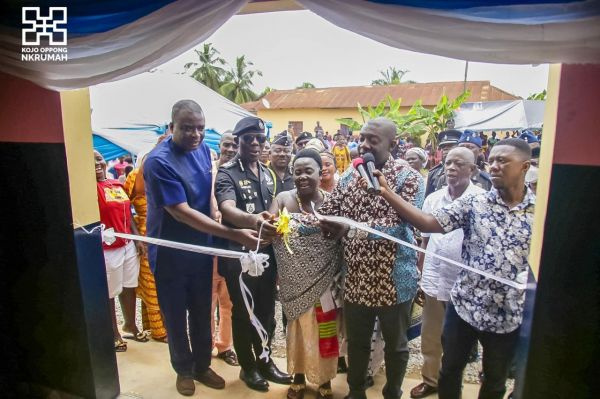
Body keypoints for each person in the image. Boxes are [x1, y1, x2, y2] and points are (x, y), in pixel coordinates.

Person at [364, 138, 534, 399]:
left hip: (507, 313)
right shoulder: (475, 204)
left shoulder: (540, 211)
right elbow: (429, 222)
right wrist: (387, 192)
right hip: (464, 305)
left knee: (495, 379)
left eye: (504, 161)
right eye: (493, 160)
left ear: (525, 167)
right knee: (450, 370)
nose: (496, 166)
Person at [144, 100, 261, 396]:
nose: (195, 134)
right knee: (174, 313)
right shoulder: (158, 161)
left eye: (200, 128)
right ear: (172, 127)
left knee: (201, 309)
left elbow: (207, 185)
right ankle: (182, 369)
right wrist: (233, 234)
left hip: (200, 249)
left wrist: (213, 208)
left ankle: (201, 365)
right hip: (170, 252)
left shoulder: (203, 151)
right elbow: (180, 211)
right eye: (187, 128)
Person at [319, 117, 425, 399]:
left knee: (396, 345)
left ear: (393, 144)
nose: (363, 145)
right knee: (356, 342)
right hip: (356, 278)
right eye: (361, 138)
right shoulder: (349, 177)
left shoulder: (409, 178)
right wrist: (299, 221)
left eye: (372, 140)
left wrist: (348, 229)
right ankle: (355, 391)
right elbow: (329, 210)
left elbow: (399, 225)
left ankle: (392, 392)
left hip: (395, 279)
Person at [216, 116, 293, 392]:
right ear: (238, 141)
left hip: (268, 253)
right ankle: (248, 368)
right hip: (239, 256)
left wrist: (275, 224)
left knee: (266, 311)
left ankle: (265, 361)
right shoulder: (227, 173)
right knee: (244, 312)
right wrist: (254, 221)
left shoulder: (266, 172)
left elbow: (274, 207)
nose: (256, 143)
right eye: (249, 138)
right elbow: (227, 209)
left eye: (260, 139)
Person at [409, 148, 485, 399]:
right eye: (448, 163)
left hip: (464, 284)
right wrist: (420, 274)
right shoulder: (433, 199)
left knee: (456, 343)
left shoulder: (483, 200)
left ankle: (453, 385)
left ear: (472, 170)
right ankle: (430, 380)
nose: (450, 168)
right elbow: (425, 240)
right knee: (430, 336)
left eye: (458, 164)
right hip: (433, 277)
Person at [270, 149, 343, 399]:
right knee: (298, 331)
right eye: (297, 171)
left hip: (324, 281)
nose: (302, 176)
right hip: (292, 282)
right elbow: (269, 228)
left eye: (308, 171)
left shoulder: (332, 201)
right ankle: (298, 376)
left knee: (325, 328)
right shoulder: (282, 199)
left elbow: (340, 238)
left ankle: (324, 380)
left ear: (320, 173)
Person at [95, 150, 147, 353]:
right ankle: (114, 332)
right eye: (91, 161)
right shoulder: (87, 189)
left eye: (99, 159)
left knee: (129, 285)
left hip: (127, 244)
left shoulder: (116, 184)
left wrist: (137, 239)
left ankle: (130, 325)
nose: (97, 164)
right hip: (108, 248)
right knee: (110, 290)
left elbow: (128, 213)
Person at [123, 157, 167, 343]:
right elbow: (124, 206)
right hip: (145, 235)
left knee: (163, 281)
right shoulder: (135, 175)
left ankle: (151, 325)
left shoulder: (167, 173)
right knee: (150, 282)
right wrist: (136, 236)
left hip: (167, 236)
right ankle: (158, 331)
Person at [210, 131, 240, 367]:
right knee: (207, 302)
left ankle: (224, 346)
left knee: (228, 303)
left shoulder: (238, 173)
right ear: (220, 146)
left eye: (234, 145)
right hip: (209, 246)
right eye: (227, 145)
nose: (230, 149)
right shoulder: (207, 171)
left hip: (231, 247)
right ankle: (205, 346)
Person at [425, 130, 461, 196]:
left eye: (450, 146)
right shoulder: (433, 174)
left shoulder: (468, 171)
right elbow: (428, 200)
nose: (445, 149)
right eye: (443, 147)